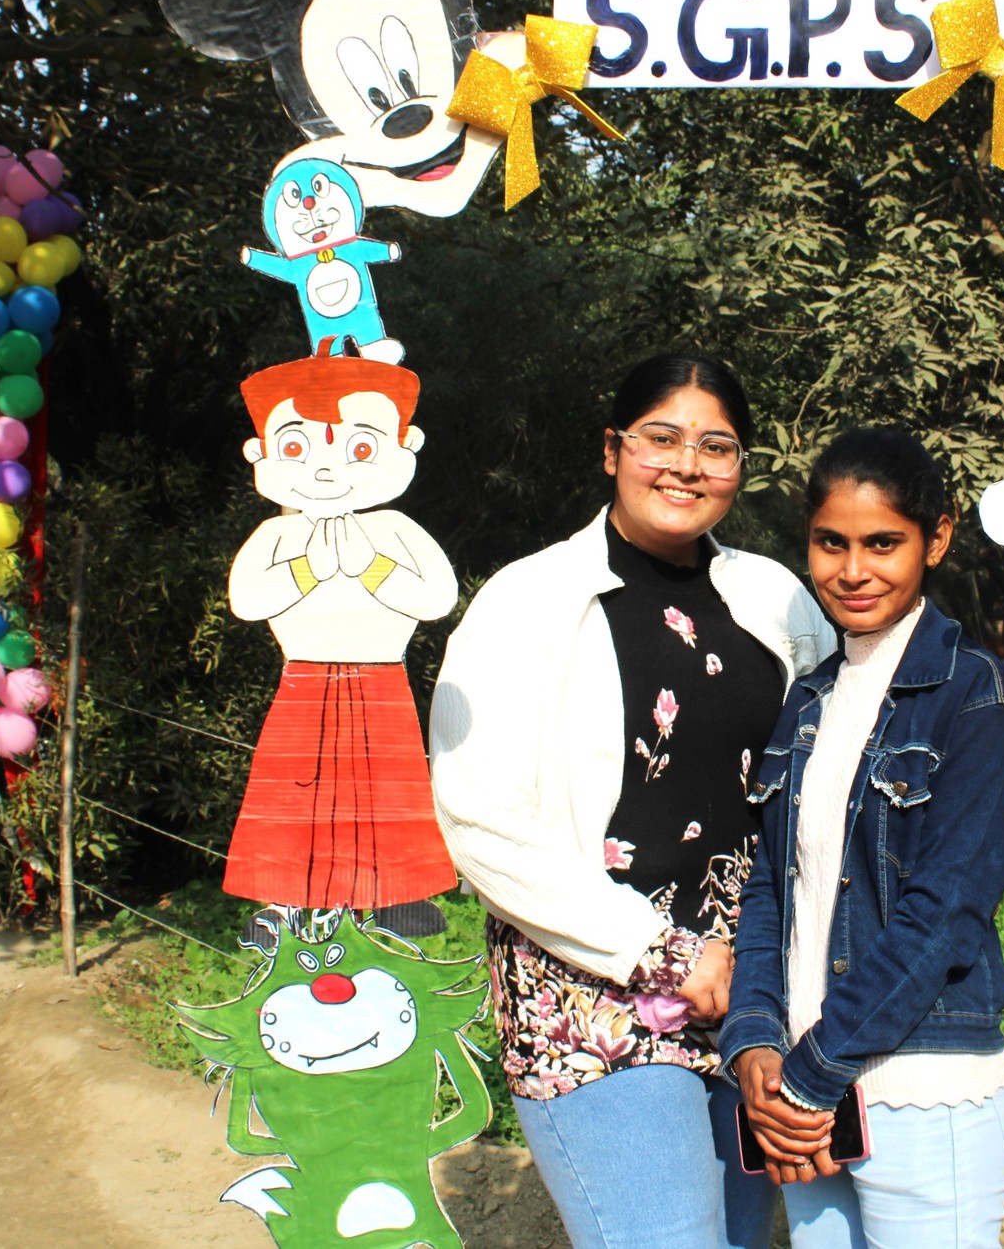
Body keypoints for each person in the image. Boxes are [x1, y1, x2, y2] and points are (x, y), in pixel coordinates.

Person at [431, 354, 833, 1249]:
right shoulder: (527, 600)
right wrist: (659, 952)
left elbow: (822, 764)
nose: (687, 465)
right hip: (594, 991)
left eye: (715, 446)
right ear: (613, 449)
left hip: (751, 992)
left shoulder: (774, 596)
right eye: (662, 437)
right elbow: (478, 816)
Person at [721, 428, 1004, 1248]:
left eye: (883, 543)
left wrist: (811, 1070)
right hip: (804, 1099)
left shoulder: (978, 699)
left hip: (920, 1092)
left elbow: (945, 914)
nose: (853, 569)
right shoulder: (809, 698)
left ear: (936, 538)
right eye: (831, 542)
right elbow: (772, 887)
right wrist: (755, 1040)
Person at [223, 342, 460, 929]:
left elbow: (438, 597)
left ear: (404, 447)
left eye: (358, 449)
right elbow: (247, 600)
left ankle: (397, 896)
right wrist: (308, 571)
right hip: (303, 679)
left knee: (388, 790)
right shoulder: (277, 534)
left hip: (382, 679)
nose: (326, 470)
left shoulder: (393, 528)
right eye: (297, 448)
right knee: (292, 792)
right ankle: (282, 902)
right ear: (260, 452)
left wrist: (371, 568)